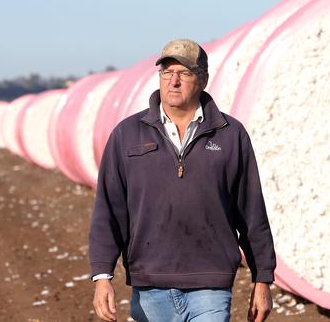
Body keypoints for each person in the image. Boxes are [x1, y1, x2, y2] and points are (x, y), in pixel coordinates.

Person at [88, 38, 276, 322]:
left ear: (203, 79)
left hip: (210, 284)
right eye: (167, 72)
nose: (173, 81)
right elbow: (109, 211)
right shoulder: (127, 135)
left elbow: (251, 212)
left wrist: (262, 280)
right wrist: (102, 276)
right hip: (150, 283)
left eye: (184, 73)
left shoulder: (230, 135)